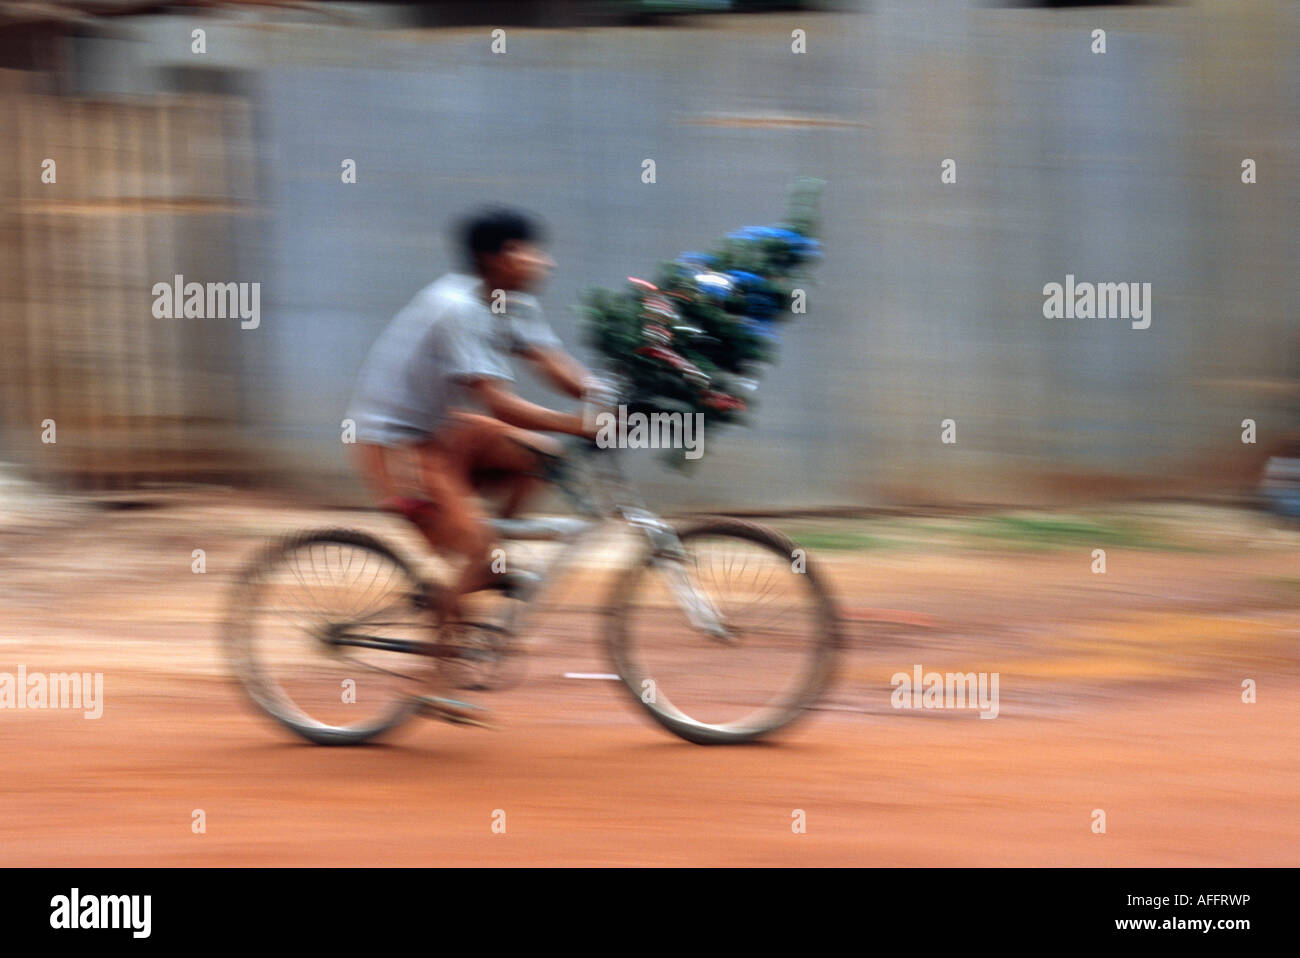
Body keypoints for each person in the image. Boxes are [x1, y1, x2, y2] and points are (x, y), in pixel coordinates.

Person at [346, 207, 598, 724]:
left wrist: (625, 400)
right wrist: (583, 425)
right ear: (496, 259)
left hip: (444, 434)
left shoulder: (513, 303)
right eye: (531, 250)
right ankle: (434, 677)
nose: (545, 262)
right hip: (396, 447)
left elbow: (560, 370)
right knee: (479, 549)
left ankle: (480, 561)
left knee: (539, 458)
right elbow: (498, 404)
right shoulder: (457, 308)